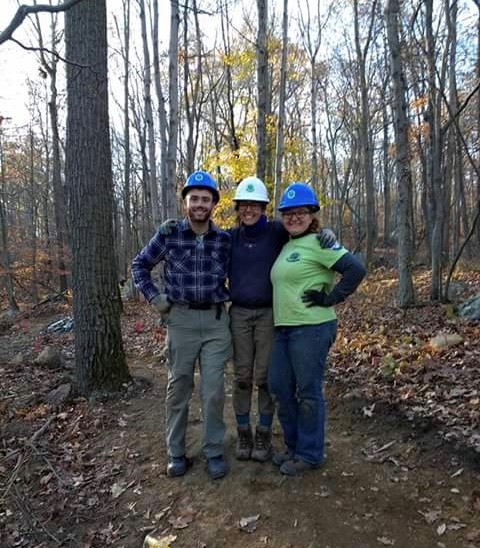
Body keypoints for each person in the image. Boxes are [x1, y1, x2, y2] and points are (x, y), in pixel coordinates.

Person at [131, 170, 232, 480]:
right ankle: (176, 452)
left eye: (206, 199)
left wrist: (321, 234)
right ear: (186, 202)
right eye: (194, 199)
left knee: (214, 390)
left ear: (214, 203)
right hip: (181, 321)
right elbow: (140, 265)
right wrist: (155, 298)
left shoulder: (225, 239)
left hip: (216, 322)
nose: (200, 204)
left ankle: (214, 450)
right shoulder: (170, 233)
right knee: (179, 387)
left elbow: (263, 246)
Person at [229, 177, 337, 462]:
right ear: (238, 208)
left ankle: (264, 434)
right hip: (238, 313)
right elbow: (202, 240)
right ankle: (244, 431)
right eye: (244, 205)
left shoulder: (277, 232)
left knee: (266, 378)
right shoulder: (231, 237)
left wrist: (328, 232)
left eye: (255, 205)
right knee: (242, 377)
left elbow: (305, 232)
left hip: (269, 314)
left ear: (264, 208)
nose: (249, 210)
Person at [268, 182, 366, 477]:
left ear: (312, 215)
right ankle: (294, 446)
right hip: (284, 329)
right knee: (280, 386)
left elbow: (356, 269)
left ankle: (310, 454)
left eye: (301, 212)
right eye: (288, 213)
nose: (294, 217)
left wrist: (331, 297)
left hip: (312, 328)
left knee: (308, 391)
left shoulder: (322, 243)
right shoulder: (285, 245)